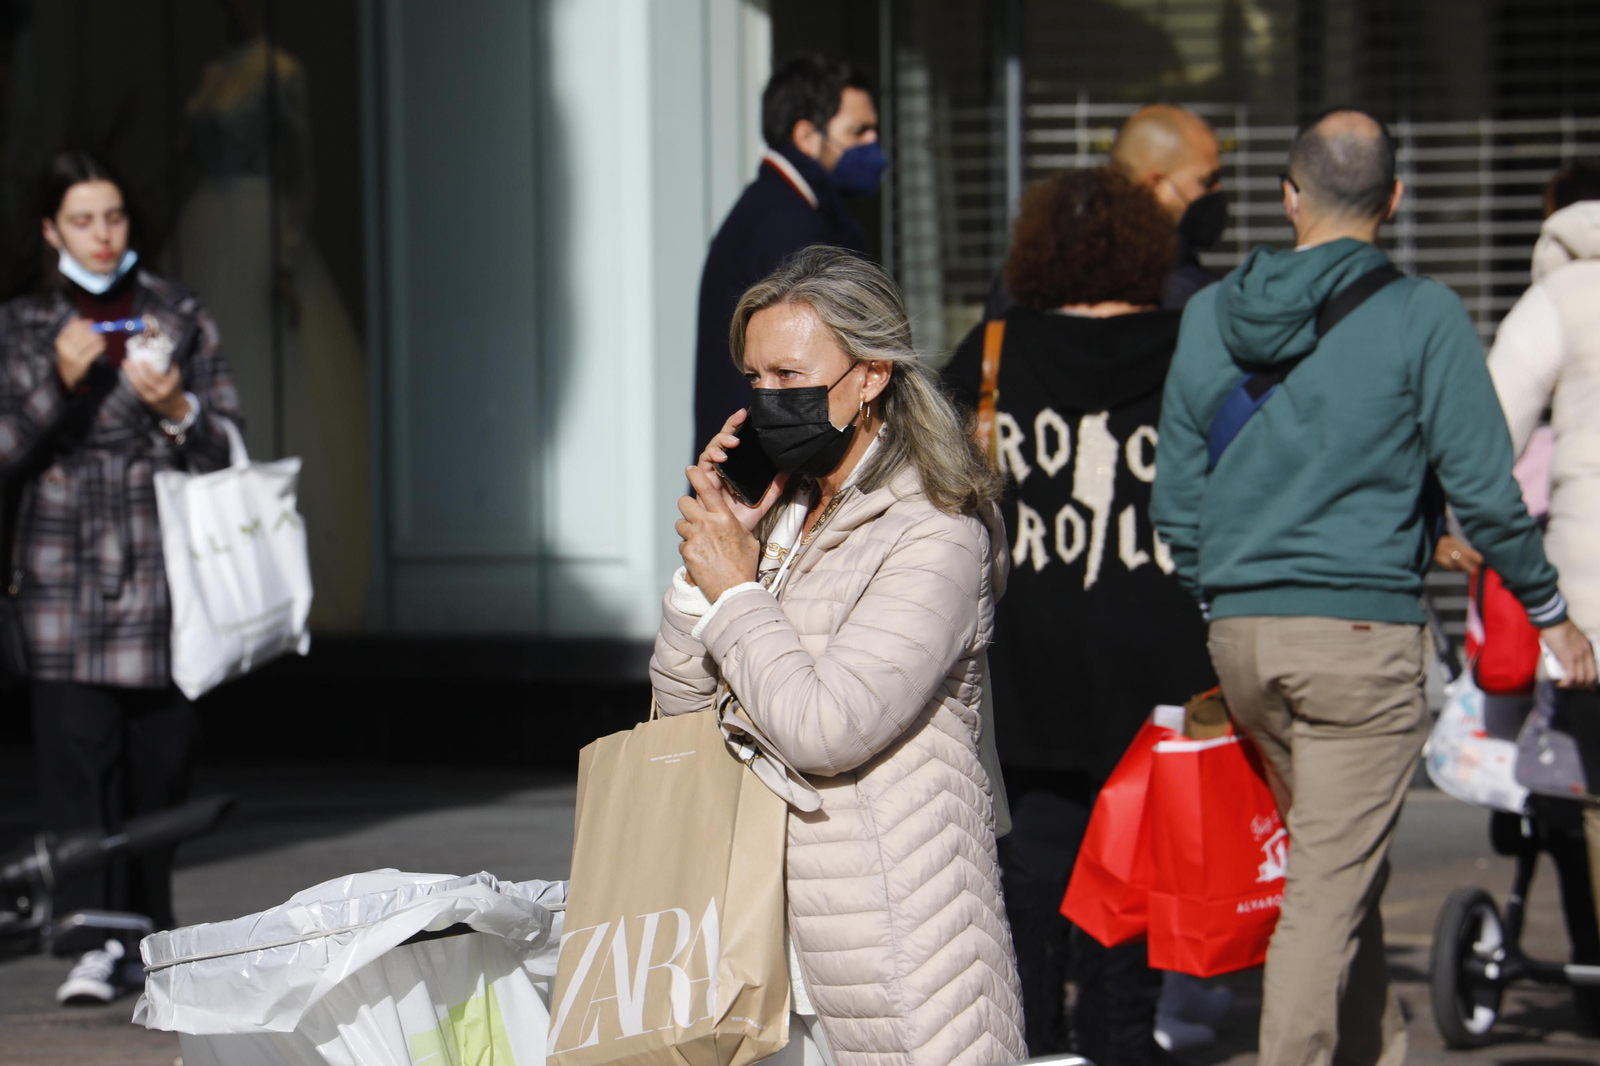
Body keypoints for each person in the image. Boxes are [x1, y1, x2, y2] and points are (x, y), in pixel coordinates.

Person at [1150, 108, 1598, 1066]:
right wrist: (1552, 612)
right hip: (1360, 642)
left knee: (1337, 866)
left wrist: (1215, 596)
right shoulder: (1421, 315)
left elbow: (1176, 497)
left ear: (1287, 196)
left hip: (1243, 635)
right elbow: (1483, 489)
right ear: (1393, 201)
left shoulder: (1207, 315)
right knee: (1324, 888)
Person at [652, 246, 1027, 1066]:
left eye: (790, 376)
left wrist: (738, 593)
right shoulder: (782, 511)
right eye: (754, 380)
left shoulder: (935, 530)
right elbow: (677, 720)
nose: (767, 401)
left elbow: (826, 729)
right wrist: (703, 577)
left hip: (896, 945)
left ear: (871, 375)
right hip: (762, 943)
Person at [944, 168, 1216, 1066]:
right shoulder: (1196, 346)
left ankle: (1036, 1040)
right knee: (1132, 892)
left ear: (1038, 255)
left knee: (1030, 871)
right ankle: (1119, 1041)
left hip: (1029, 655)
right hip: (1161, 651)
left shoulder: (992, 351)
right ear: (1148, 250)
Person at [0, 152, 243, 1005]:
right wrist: (53, 384)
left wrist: (178, 407)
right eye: (82, 220)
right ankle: (92, 941)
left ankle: (151, 935)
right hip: (63, 565)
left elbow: (227, 448)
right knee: (76, 754)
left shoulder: (176, 311)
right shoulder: (24, 325)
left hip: (163, 560)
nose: (102, 236)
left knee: (159, 757)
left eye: (113, 217)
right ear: (49, 230)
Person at [1454, 159, 1600, 1014]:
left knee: (1585, 791)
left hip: (1589, 595)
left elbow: (1487, 440)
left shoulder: (1561, 298)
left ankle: (1589, 964)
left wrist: (1468, 535)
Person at [693, 54, 883, 457]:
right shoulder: (788, 223)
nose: (873, 144)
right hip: (764, 486)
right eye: (859, 131)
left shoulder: (774, 208)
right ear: (806, 137)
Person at [984, 104, 1225, 321]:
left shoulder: (1023, 282)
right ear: (1155, 185)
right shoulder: (1196, 300)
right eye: (1207, 181)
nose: (1218, 192)